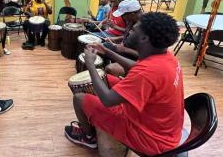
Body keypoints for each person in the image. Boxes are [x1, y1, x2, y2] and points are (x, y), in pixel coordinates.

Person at [64, 12, 183, 156]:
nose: (129, 32)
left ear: (145, 38)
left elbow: (108, 100)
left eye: (134, 30)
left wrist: (90, 64)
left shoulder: (146, 74)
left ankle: (89, 138)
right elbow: (137, 67)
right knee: (106, 78)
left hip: (150, 139)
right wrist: (108, 52)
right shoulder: (167, 57)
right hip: (163, 128)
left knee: (79, 99)